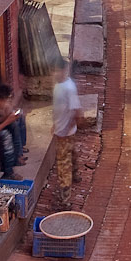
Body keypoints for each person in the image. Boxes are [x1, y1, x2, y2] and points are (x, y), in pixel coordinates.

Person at [51, 57, 80, 189]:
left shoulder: (69, 88)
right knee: (71, 153)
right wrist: (55, 124)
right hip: (63, 130)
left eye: (57, 71)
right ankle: (76, 174)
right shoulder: (58, 86)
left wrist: (65, 129)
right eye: (54, 71)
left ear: (64, 71)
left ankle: (65, 197)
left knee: (63, 164)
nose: (55, 74)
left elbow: (76, 111)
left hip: (65, 133)